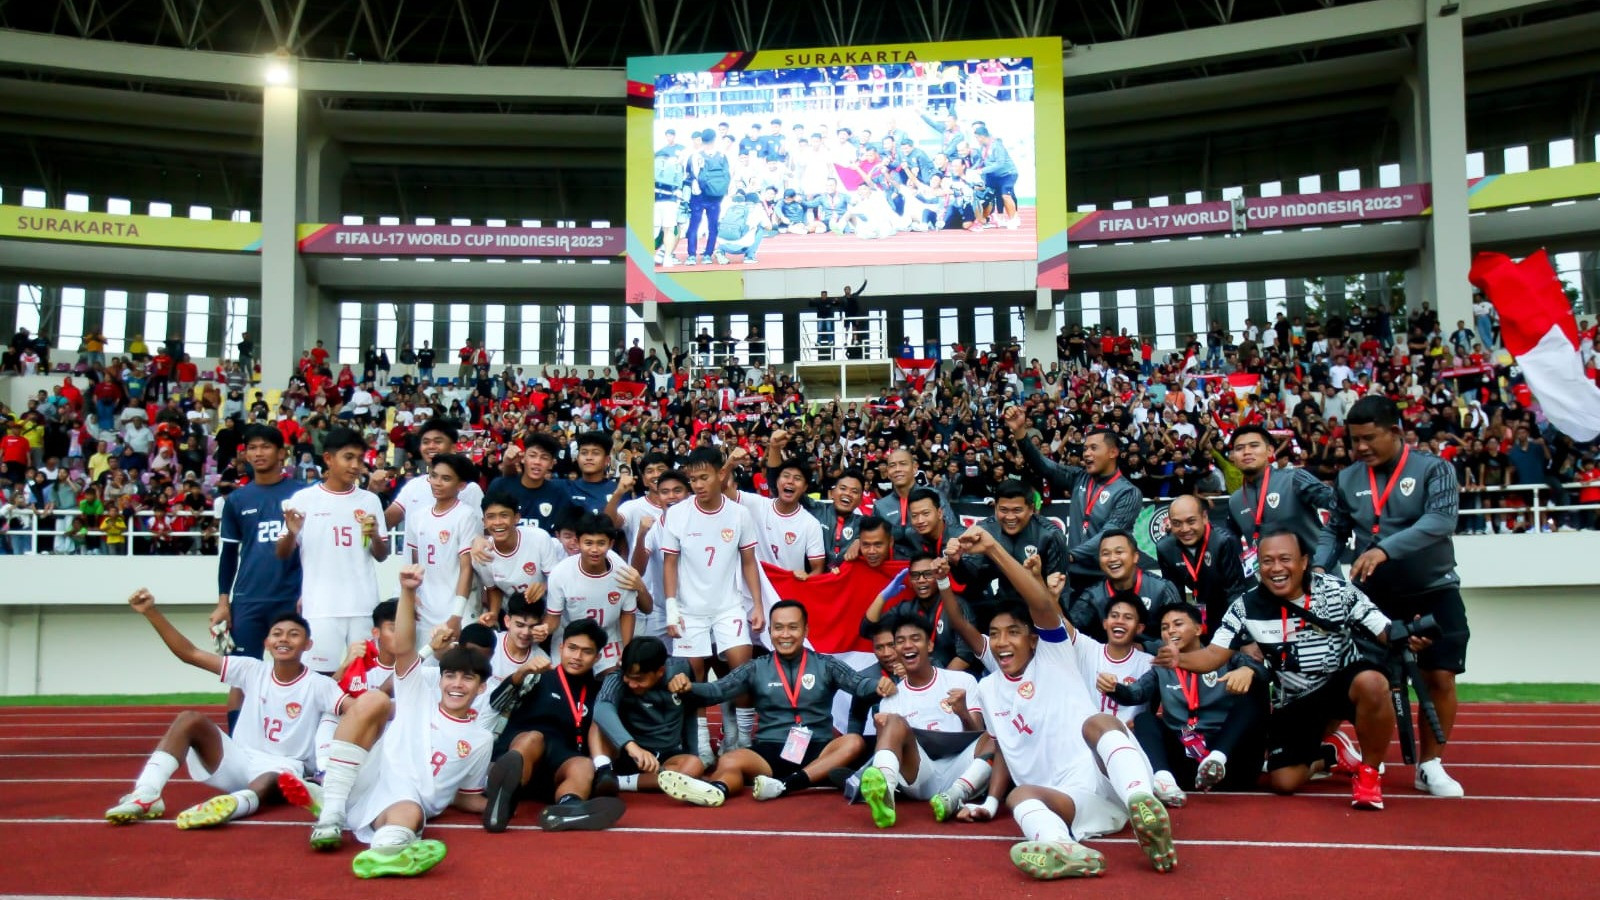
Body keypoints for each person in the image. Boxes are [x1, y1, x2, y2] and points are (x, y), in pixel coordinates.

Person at [953, 525, 1177, 880]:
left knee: (1097, 722)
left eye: (1012, 632)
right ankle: (1064, 849)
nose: (1001, 642)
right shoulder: (988, 688)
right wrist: (991, 801)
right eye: (994, 634)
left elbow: (1041, 604)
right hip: (1068, 802)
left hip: (1109, 780)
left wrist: (994, 549)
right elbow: (1003, 751)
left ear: (1033, 640)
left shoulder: (1055, 654)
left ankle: (1141, 802)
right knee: (1021, 797)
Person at [1172, 530, 1422, 810]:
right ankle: (1328, 754)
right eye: (1267, 561)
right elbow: (1213, 656)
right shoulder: (1245, 607)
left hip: (1341, 684)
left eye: (1285, 559)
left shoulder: (1336, 590)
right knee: (1283, 783)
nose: (1276, 568)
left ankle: (1369, 775)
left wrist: (1410, 635)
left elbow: (1383, 629)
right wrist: (1176, 659)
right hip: (1294, 698)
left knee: (1373, 682)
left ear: (1304, 561)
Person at [278, 565, 492, 878]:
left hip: (408, 799)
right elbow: (403, 647)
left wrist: (503, 803)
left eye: (467, 679)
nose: (457, 685)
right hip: (367, 776)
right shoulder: (418, 695)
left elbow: (469, 797)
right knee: (375, 699)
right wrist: (407, 592)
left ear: (481, 687)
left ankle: (384, 853)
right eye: (450, 676)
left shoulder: (481, 739)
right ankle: (331, 813)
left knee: (409, 815)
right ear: (440, 678)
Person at [1318, 395, 1468, 798]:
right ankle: (1367, 759)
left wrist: (1384, 549)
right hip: (1374, 597)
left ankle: (1430, 765)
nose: (1361, 448)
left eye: (1369, 438)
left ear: (1397, 432)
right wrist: (1318, 566)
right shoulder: (1348, 478)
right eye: (1354, 440)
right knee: (1367, 678)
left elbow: (1441, 520)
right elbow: (1334, 531)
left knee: (1439, 676)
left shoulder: (1436, 469)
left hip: (1434, 588)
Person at [106, 588, 344, 831]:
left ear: (308, 644)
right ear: (267, 642)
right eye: (277, 634)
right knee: (189, 719)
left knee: (277, 774)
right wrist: (151, 612)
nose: (284, 639)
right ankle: (147, 792)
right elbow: (190, 654)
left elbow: (355, 710)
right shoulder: (252, 669)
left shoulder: (320, 684)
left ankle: (234, 804)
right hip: (239, 760)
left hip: (285, 768)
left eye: (294, 635)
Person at [657, 600, 894, 805]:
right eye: (778, 628)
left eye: (793, 627)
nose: (785, 634)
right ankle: (717, 790)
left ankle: (788, 784)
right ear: (770, 631)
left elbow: (859, 684)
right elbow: (716, 690)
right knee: (730, 759)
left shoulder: (826, 664)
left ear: (806, 630)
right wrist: (688, 686)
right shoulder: (756, 667)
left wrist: (878, 685)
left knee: (852, 742)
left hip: (819, 748)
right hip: (770, 749)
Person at [658, 447, 765, 751]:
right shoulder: (677, 514)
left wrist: (756, 604)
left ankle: (740, 738)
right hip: (689, 611)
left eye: (704, 477)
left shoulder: (739, 513)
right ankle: (703, 744)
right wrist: (671, 608)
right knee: (693, 676)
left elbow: (748, 562)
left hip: (728, 607)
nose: (698, 485)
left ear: (721, 474)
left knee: (741, 668)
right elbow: (669, 564)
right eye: (693, 480)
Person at [1103, 603, 1267, 795]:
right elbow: (1135, 694)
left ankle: (1216, 759)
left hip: (1230, 759)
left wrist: (1249, 670)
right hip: (1184, 762)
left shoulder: (1228, 659)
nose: (1170, 631)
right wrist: (1113, 687)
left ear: (1198, 629)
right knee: (1143, 720)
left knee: (1254, 694)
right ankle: (1164, 781)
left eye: (1178, 624)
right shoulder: (1161, 668)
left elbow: (1265, 673)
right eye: (1165, 628)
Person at [480, 618, 624, 833]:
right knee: (532, 739)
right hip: (524, 755)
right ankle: (505, 796)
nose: (577, 657)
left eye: (586, 652)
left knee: (583, 765)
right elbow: (496, 704)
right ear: (561, 648)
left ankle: (569, 807)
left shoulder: (599, 692)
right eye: (572, 648)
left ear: (597, 657)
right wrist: (520, 673)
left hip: (560, 764)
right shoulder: (537, 677)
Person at [856, 611, 991, 829]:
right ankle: (885, 795)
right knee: (892, 722)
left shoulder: (962, 681)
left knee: (995, 736)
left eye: (915, 639)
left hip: (962, 769)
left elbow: (978, 735)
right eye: (900, 641)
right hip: (920, 775)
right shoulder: (891, 697)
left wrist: (963, 713)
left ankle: (954, 797)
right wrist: (883, 729)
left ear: (929, 646)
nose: (907, 645)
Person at [276, 427, 391, 674]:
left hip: (363, 605)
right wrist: (292, 531)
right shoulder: (303, 499)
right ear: (328, 458)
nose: (355, 465)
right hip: (321, 607)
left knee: (365, 677)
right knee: (319, 677)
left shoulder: (369, 500)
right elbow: (282, 553)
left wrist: (374, 537)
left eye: (360, 459)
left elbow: (382, 554)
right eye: (348, 457)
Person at [213, 424, 304, 732]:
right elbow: (228, 555)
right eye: (252, 448)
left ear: (282, 453)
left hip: (292, 598)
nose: (258, 453)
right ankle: (237, 745)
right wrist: (223, 602)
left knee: (299, 674)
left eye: (265, 447)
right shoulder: (237, 500)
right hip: (249, 600)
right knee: (242, 677)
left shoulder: (302, 494)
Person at [1004, 408, 1141, 579]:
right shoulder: (1079, 477)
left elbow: (1109, 534)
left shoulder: (1128, 492)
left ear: (1113, 452)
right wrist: (1019, 432)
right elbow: (1043, 465)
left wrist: (1070, 555)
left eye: (1093, 448)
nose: (1087, 454)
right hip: (1073, 575)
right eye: (1085, 449)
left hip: (1108, 576)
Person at [591, 636, 708, 796]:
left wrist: (692, 753)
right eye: (628, 677)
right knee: (599, 720)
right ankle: (604, 771)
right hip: (628, 752)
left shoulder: (681, 672)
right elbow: (602, 708)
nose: (631, 684)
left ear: (660, 671)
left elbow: (690, 713)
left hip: (666, 756)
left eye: (639, 679)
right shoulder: (617, 677)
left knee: (694, 765)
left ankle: (620, 782)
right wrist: (633, 747)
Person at [1226, 425, 1337, 578]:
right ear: (1232, 456)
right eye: (1239, 448)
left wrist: (1324, 560)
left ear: (1270, 451)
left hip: (1319, 576)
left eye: (1254, 445)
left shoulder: (1294, 478)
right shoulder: (1235, 501)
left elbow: (1340, 505)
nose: (1246, 452)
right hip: (1276, 583)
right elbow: (1229, 542)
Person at [543, 513, 640, 675]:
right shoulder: (560, 573)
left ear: (611, 543)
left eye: (601, 543)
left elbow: (627, 614)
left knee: (614, 681)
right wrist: (543, 629)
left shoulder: (623, 572)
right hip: (570, 640)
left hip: (609, 640)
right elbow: (553, 619)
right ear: (578, 542)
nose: (594, 550)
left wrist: (627, 650)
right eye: (588, 543)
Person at [953, 478, 1070, 608]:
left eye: (1017, 510)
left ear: (1031, 509)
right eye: (1003, 510)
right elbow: (966, 577)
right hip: (1000, 606)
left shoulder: (1051, 535)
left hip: (1041, 606)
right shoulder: (984, 530)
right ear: (995, 507)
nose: (1010, 517)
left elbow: (1060, 589)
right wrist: (956, 562)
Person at [402, 453, 483, 638]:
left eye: (446, 478)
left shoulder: (466, 515)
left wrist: (457, 614)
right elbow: (416, 565)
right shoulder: (418, 517)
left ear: (461, 485)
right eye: (434, 476)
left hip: (457, 611)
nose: (437, 483)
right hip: (425, 610)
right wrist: (411, 598)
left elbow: (466, 568)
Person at [859, 551, 973, 670]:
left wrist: (938, 683)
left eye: (928, 574)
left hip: (951, 680)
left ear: (939, 575)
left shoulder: (957, 605)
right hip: (917, 679)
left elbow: (965, 657)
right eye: (915, 575)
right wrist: (882, 597)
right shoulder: (906, 608)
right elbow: (867, 630)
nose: (921, 580)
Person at [469, 490, 565, 628]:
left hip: (545, 615)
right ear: (484, 522)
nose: (497, 522)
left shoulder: (539, 538)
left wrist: (543, 587)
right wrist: (494, 614)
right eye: (491, 517)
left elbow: (557, 579)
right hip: (513, 618)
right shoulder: (482, 554)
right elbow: (493, 589)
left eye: (504, 515)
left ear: (516, 518)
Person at [1067, 530, 1180, 644]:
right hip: (1110, 659)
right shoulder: (1093, 596)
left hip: (1154, 658)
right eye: (1106, 554)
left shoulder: (1161, 589)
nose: (1112, 558)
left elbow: (1180, 635)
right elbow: (1070, 634)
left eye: (1119, 552)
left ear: (1135, 556)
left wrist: (1146, 648)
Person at [1156, 494, 1248, 633]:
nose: (1185, 529)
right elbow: (1174, 594)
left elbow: (1234, 592)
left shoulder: (1225, 541)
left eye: (1191, 521)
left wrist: (1240, 632)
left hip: (1225, 604)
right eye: (1177, 523)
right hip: (1197, 606)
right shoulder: (1165, 548)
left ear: (1204, 517)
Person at [725, 448, 824, 575]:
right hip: (755, 588)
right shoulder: (757, 505)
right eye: (786, 476)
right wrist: (729, 464)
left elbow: (817, 568)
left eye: (797, 478)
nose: (790, 481)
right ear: (777, 482)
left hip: (787, 592)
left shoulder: (811, 524)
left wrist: (805, 579)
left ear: (805, 487)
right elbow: (722, 491)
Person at [377, 418, 483, 533]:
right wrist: (372, 492)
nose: (431, 446)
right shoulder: (413, 486)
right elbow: (384, 524)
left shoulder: (469, 489)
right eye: (425, 442)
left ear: (453, 448)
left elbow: (476, 536)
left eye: (438, 441)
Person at [487, 432, 573, 531]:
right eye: (532, 455)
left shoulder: (559, 493)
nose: (537, 462)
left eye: (544, 458)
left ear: (551, 464)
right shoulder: (500, 486)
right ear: (523, 458)